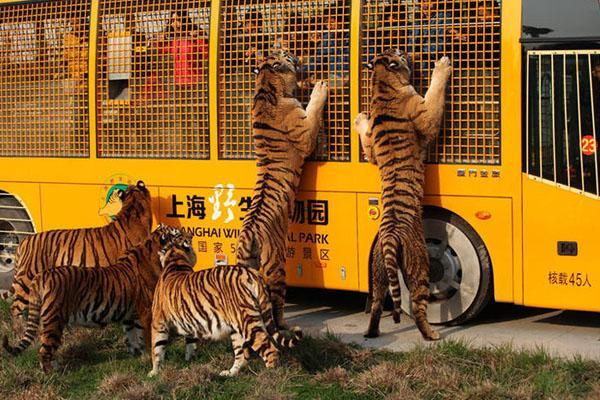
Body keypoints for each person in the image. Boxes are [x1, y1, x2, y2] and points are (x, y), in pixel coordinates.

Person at [160, 10, 209, 157]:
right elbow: (161, 51)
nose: (176, 24)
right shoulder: (174, 39)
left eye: (179, 20)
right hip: (179, 84)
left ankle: (204, 150)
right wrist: (160, 40)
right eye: (173, 21)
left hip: (196, 83)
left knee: (200, 119)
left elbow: (206, 53)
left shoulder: (193, 36)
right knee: (184, 120)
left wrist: (198, 39)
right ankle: (188, 152)